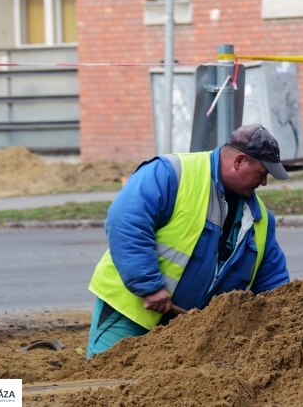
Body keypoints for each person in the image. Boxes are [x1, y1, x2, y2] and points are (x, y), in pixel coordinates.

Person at [86, 123, 291, 358]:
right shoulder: (171, 173)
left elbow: (273, 281)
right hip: (130, 312)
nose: (264, 183)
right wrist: (149, 286)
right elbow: (126, 220)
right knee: (107, 385)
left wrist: (283, 320)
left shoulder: (260, 220)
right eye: (262, 173)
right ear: (240, 161)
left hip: (189, 335)